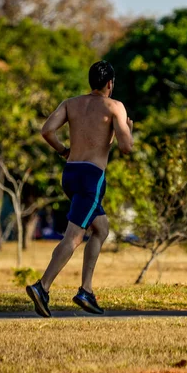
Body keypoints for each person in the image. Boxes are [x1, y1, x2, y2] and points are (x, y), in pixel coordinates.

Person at [26, 61, 133, 317]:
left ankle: (86, 290)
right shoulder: (114, 106)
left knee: (101, 228)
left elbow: (47, 131)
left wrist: (64, 150)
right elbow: (126, 147)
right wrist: (128, 128)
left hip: (70, 173)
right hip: (91, 177)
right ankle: (43, 286)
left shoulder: (70, 103)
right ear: (110, 84)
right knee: (74, 236)